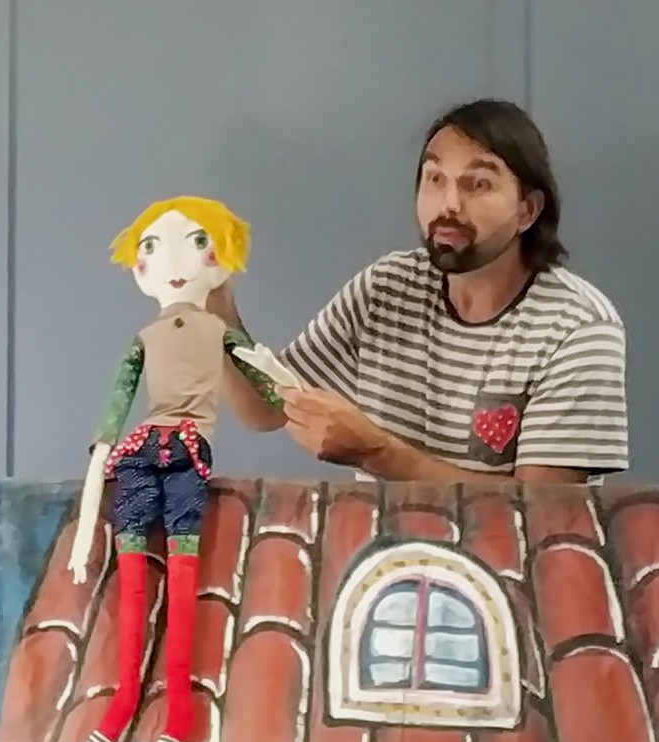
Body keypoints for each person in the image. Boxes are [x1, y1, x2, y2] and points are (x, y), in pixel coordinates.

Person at [210, 98, 629, 484]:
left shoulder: (579, 326)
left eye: (478, 184)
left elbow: (541, 512)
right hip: (379, 543)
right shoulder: (386, 287)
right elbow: (265, 409)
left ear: (528, 210)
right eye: (435, 179)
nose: (449, 204)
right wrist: (215, 305)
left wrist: (378, 453)